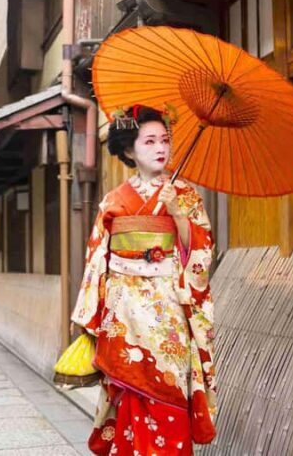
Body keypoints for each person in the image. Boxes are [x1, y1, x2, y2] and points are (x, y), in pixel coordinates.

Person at [70, 105, 217, 455]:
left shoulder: (185, 195)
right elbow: (97, 262)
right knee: (129, 397)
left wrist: (180, 215)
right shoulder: (113, 201)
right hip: (124, 316)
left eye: (165, 140)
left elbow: (201, 254)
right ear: (128, 150)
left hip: (167, 313)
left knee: (169, 390)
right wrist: (94, 318)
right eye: (149, 141)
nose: (160, 148)